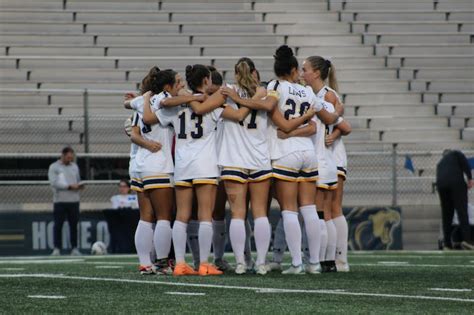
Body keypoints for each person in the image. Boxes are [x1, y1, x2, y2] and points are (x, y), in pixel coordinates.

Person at [48, 146, 84, 256]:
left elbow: (77, 180)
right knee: (58, 225)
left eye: (71, 157)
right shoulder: (54, 167)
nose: (70, 159)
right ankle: (57, 248)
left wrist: (79, 186)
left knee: (74, 225)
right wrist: (69, 187)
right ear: (62, 155)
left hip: (74, 201)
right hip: (60, 201)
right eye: (68, 157)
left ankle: (74, 248)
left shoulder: (74, 166)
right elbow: (54, 183)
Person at [436, 149, 474, 250]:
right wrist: (470, 178)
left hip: (441, 185)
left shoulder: (440, 164)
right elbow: (465, 163)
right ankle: (467, 240)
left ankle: (447, 244)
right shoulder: (456, 153)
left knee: (447, 215)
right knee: (462, 211)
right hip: (456, 183)